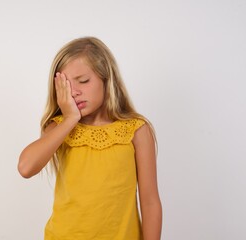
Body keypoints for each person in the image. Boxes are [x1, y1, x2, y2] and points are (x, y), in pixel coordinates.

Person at [18, 36, 162, 240]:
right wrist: (69, 119)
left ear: (106, 79)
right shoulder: (59, 128)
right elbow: (26, 167)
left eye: (83, 81)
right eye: (66, 86)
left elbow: (150, 201)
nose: (75, 92)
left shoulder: (136, 130)